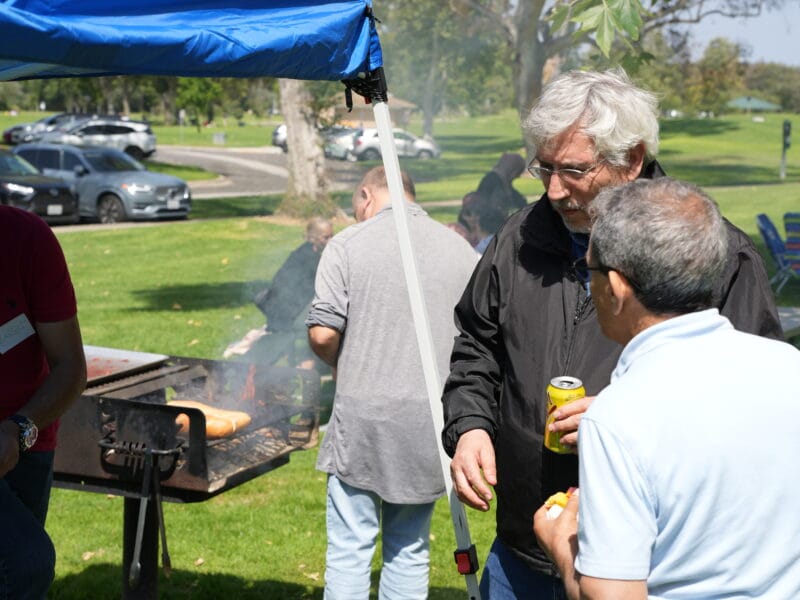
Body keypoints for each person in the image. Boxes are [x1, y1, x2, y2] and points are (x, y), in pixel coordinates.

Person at [440, 68, 783, 598]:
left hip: (645, 568)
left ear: (633, 160)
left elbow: (754, 409)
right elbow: (476, 346)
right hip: (521, 550)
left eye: (574, 170)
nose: (554, 190)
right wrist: (470, 426)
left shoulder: (716, 256)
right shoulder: (518, 236)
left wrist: (625, 412)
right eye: (544, 167)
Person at [533, 177, 800, 599]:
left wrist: (562, 548)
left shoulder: (618, 419)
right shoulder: (790, 367)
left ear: (616, 288)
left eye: (591, 270)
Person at [306, 167, 478, 599]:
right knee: (410, 548)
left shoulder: (346, 244)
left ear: (366, 195)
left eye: (355, 206)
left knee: (350, 547)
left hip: (362, 419)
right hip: (429, 418)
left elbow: (323, 333)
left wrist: (340, 363)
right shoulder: (460, 250)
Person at [0, 206, 87, 599]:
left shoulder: (27, 238)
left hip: (25, 443)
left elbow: (70, 366)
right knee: (26, 564)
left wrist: (18, 429)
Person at [223, 217, 333, 366]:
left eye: (332, 235)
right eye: (326, 237)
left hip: (287, 310)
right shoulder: (307, 258)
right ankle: (306, 376)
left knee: (290, 345)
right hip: (283, 312)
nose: (331, 240)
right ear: (313, 238)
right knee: (301, 346)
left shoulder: (309, 253)